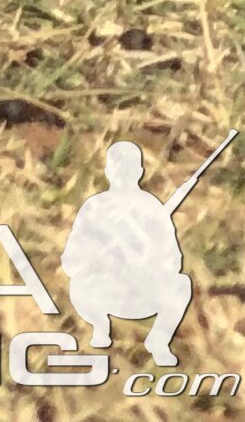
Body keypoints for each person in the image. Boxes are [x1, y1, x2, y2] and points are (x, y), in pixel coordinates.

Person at [62, 141, 195, 365]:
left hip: (141, 292)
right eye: (118, 167)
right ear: (108, 171)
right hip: (103, 289)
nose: (123, 174)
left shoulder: (152, 208)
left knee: (181, 285)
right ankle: (100, 328)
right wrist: (98, 257)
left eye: (129, 168)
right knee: (77, 285)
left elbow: (173, 260)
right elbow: (71, 259)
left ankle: (159, 340)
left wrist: (150, 257)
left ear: (139, 171)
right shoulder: (94, 207)